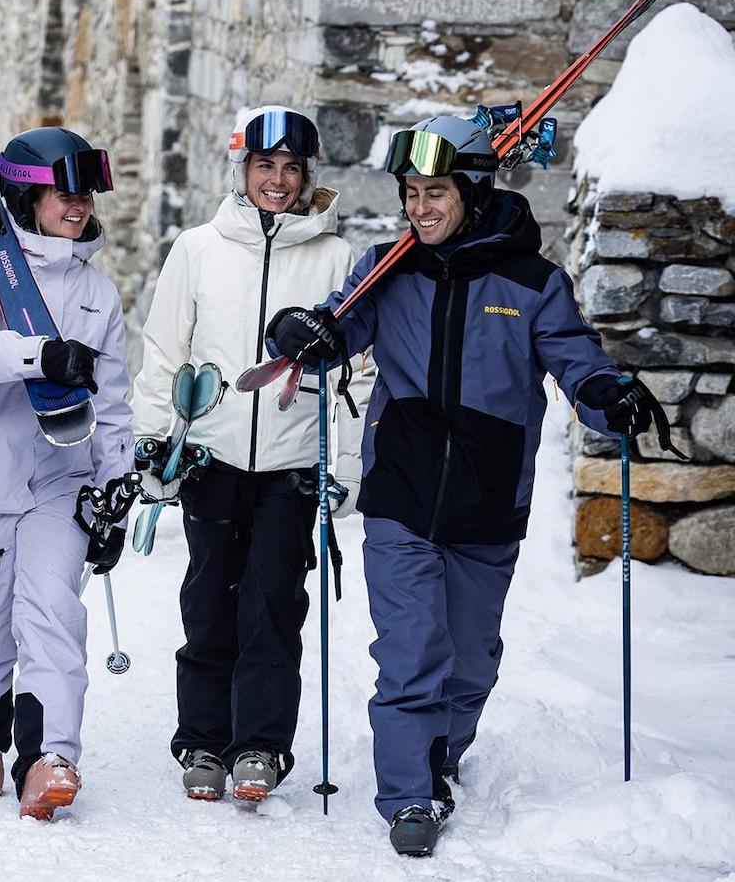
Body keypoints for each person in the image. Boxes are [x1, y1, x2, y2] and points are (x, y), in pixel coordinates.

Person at [266, 114, 667, 856]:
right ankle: (410, 791)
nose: (420, 208)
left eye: (436, 192)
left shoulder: (533, 283)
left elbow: (577, 360)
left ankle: (440, 753)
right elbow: (334, 330)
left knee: (472, 655)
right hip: (403, 492)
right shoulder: (388, 269)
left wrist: (609, 392)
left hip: (489, 499)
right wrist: (302, 334)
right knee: (413, 646)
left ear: (474, 193)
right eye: (411, 192)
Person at [130, 106, 375, 803]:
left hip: (293, 465)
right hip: (212, 454)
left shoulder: (336, 259)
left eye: (291, 168)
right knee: (209, 602)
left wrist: (344, 467)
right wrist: (154, 440)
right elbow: (162, 349)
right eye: (265, 166)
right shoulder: (199, 248)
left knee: (272, 605)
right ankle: (203, 742)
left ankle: (261, 745)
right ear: (241, 171)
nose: (278, 179)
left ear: (308, 177)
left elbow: (356, 374)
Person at [0, 126, 133, 821]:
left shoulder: (98, 293)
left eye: (84, 194)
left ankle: (50, 756)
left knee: (52, 611)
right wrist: (42, 357)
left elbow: (114, 401)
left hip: (60, 475)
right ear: (25, 195)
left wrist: (115, 487)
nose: (77, 206)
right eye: (61, 194)